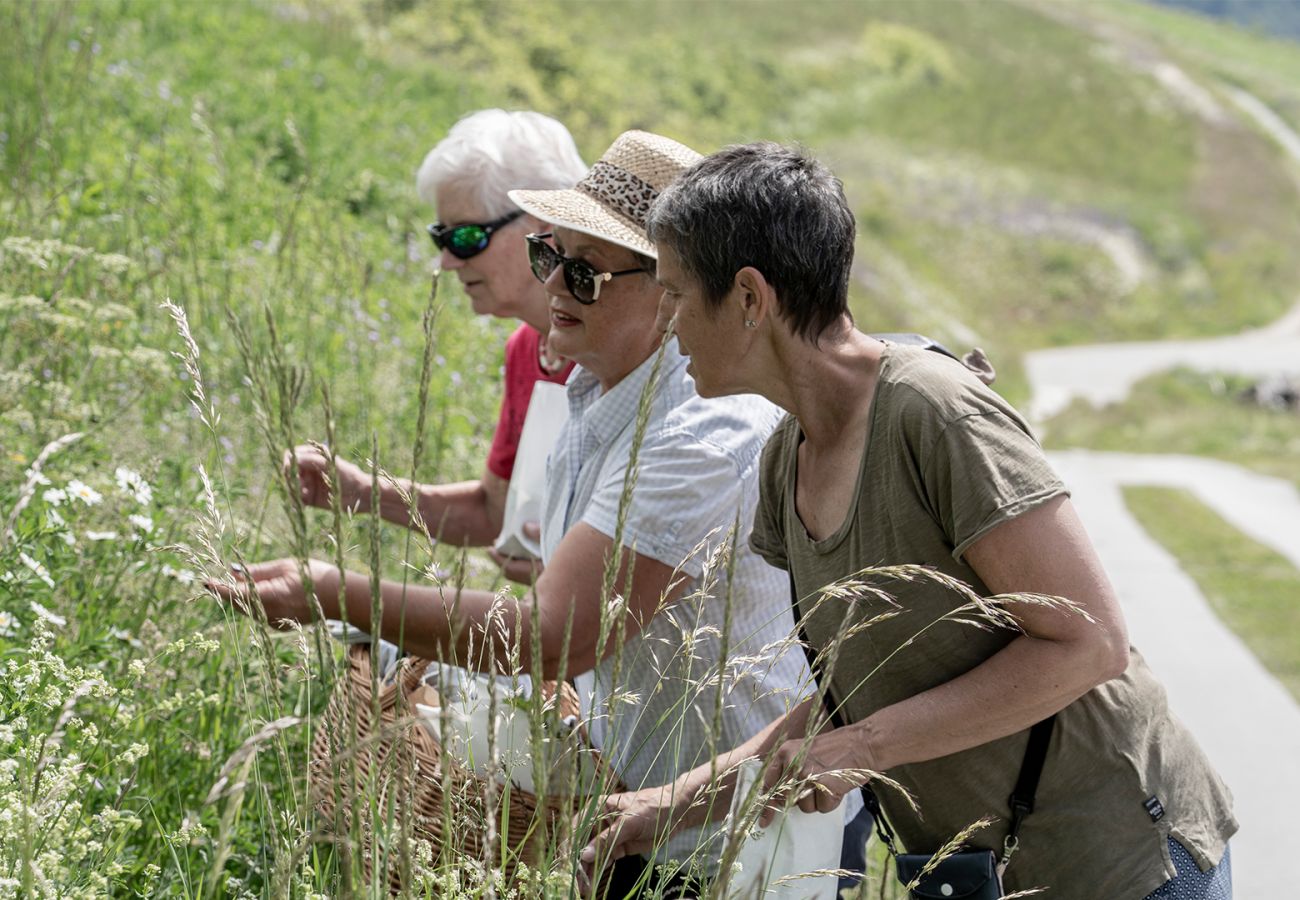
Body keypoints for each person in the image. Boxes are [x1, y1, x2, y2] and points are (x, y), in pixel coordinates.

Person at [583, 142, 1238, 899]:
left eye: (674, 292)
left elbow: (1090, 640)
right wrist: (673, 803)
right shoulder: (783, 457)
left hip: (1122, 863)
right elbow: (846, 693)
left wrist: (862, 747)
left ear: (750, 298)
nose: (665, 321)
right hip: (990, 875)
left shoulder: (934, 412)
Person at [213, 131, 813, 894]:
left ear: (671, 291)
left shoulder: (700, 434)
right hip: (639, 805)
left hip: (730, 840)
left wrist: (332, 592)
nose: (556, 285)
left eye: (585, 273)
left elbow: (555, 637)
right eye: (546, 256)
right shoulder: (593, 390)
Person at [289, 109, 582, 573]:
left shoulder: (622, 350)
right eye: (439, 237)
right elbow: (494, 511)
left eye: (466, 237)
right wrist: (362, 493)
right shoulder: (528, 349)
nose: (447, 261)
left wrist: (580, 583)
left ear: (540, 225)